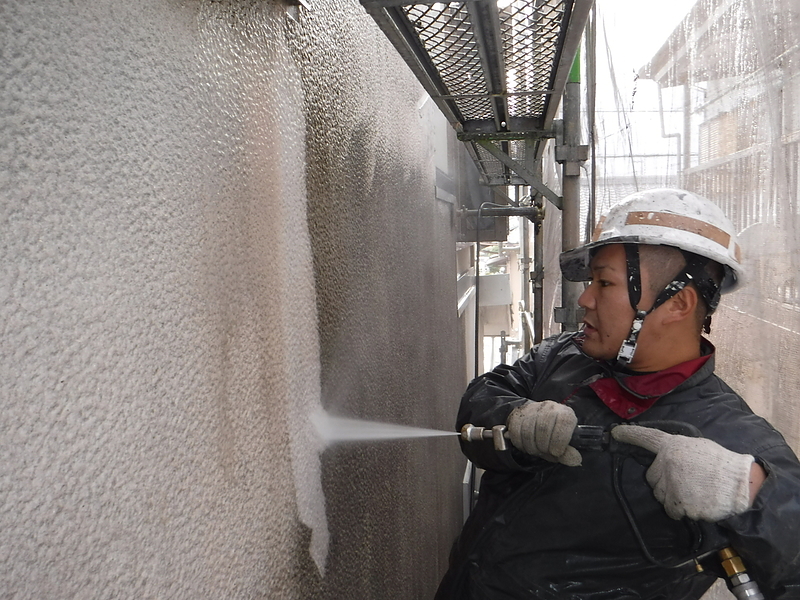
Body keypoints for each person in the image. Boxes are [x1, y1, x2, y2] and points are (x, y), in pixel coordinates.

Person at [435, 189, 800, 600]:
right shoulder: (563, 355)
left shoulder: (732, 441)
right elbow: (480, 401)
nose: (586, 299)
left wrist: (749, 490)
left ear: (678, 303)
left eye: (604, 282)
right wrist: (514, 418)